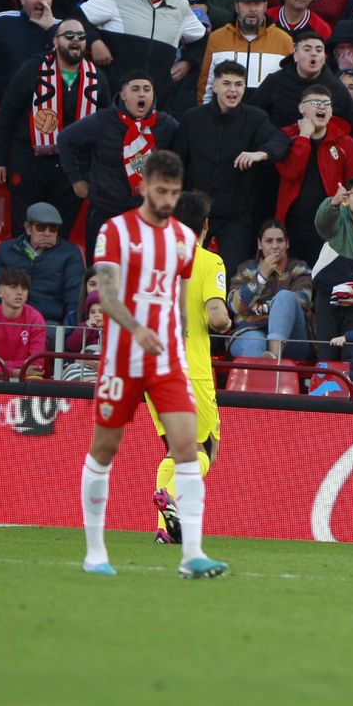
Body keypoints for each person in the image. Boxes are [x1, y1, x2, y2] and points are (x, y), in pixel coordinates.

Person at [78, 150, 227, 578]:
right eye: (161, 190)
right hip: (122, 357)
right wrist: (137, 328)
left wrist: (176, 335)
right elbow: (105, 296)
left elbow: (180, 299)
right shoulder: (115, 231)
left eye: (174, 192)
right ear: (144, 186)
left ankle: (192, 554)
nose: (167, 199)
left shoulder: (182, 240)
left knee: (187, 450)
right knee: (104, 450)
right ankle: (94, 553)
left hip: (168, 364)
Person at [145, 189, 231, 544]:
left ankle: (167, 529)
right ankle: (173, 500)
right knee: (205, 449)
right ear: (205, 226)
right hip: (189, 371)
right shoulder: (210, 262)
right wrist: (225, 321)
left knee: (174, 452)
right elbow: (217, 316)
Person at [0, 18, 108, 234]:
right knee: (24, 228)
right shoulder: (32, 69)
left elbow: (104, 129)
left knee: (60, 232)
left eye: (81, 37)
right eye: (69, 36)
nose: (76, 40)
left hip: (74, 168)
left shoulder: (98, 78)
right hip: (30, 160)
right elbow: (7, 116)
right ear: (55, 41)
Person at [175, 59, 287, 266]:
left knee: (231, 274)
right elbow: (177, 160)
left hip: (236, 216)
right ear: (215, 86)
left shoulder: (256, 118)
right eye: (226, 83)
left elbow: (280, 142)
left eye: (238, 84)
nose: (232, 90)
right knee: (185, 270)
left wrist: (259, 154)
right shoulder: (192, 119)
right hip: (194, 212)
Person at [60, 70, 180, 255]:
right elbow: (65, 139)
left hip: (145, 211)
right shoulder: (102, 120)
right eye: (135, 89)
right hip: (105, 209)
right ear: (123, 95)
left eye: (147, 89)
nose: (142, 94)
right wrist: (76, 180)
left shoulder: (166, 124)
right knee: (101, 273)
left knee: (137, 271)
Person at [82, 0, 208, 98]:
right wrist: (95, 42)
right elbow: (76, 19)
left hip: (156, 102)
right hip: (113, 97)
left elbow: (202, 39)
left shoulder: (180, 4)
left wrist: (188, 62)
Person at [274, 85, 353, 262]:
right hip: (292, 224)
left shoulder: (347, 144)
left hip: (329, 225)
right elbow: (290, 172)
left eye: (327, 103)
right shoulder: (285, 137)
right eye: (316, 102)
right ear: (301, 108)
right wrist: (304, 137)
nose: (322, 107)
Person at [0, 202, 88, 328]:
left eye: (53, 228)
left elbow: (75, 297)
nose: (47, 233)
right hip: (9, 318)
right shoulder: (7, 250)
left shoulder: (70, 253)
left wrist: (67, 330)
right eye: (41, 227)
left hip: (48, 322)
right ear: (28, 228)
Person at [227, 220, 315, 359]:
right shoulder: (246, 269)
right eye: (269, 241)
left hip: (293, 338)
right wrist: (261, 277)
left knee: (285, 297)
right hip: (251, 329)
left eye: (280, 241)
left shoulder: (299, 268)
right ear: (259, 244)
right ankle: (263, 374)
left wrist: (263, 307)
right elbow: (235, 305)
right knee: (253, 343)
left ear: (287, 243)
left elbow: (303, 301)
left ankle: (273, 358)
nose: (275, 246)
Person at [0, 268, 47, 376]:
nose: (20, 292)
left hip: (25, 384)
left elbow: (37, 366)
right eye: (13, 287)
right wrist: (16, 372)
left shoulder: (36, 319)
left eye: (24, 288)